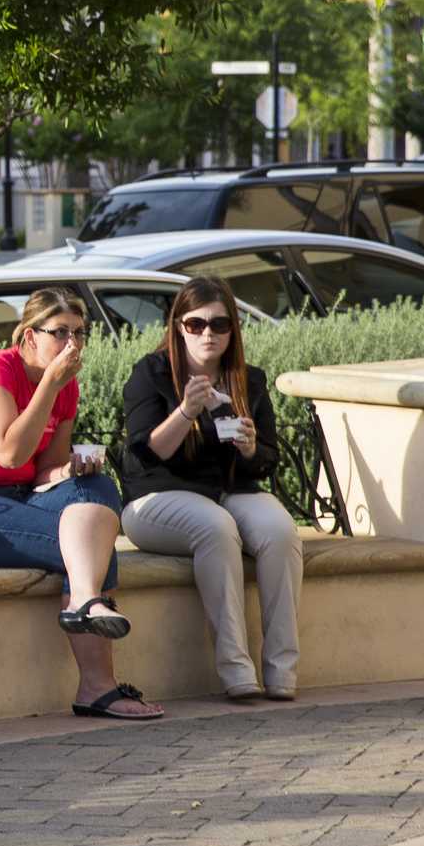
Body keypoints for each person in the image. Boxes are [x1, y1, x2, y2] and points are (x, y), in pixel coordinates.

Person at [0, 288, 164, 721]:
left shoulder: (66, 386)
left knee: (99, 491)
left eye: (80, 333)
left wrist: (72, 470)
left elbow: (46, 467)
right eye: (60, 332)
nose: (72, 344)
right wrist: (50, 385)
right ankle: (98, 684)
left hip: (19, 499)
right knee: (91, 550)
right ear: (28, 336)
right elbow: (9, 455)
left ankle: (84, 605)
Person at [120, 277, 300, 701]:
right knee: (217, 527)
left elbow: (266, 461)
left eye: (220, 325)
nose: (208, 334)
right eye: (196, 323)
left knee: (280, 531)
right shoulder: (153, 374)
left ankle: (282, 671)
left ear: (233, 330)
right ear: (179, 326)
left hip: (229, 491)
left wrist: (253, 448)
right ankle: (237, 671)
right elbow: (147, 453)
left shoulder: (247, 381)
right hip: (157, 498)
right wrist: (186, 410)